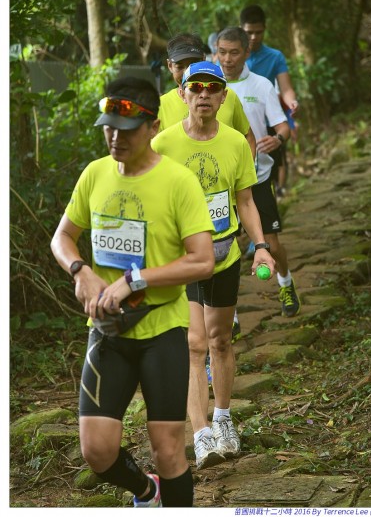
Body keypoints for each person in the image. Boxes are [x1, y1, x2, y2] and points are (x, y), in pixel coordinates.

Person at [50, 76, 216, 508]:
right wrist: (80, 270)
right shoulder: (95, 174)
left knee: (168, 450)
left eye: (126, 130)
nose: (115, 137)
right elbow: (62, 237)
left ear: (153, 127)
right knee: (96, 451)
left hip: (162, 329)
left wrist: (135, 279)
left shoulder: (178, 181)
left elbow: (202, 260)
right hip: (109, 330)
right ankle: (146, 491)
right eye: (108, 127)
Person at [151, 61, 276, 471]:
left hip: (224, 256)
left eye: (212, 88)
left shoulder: (236, 143)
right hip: (183, 260)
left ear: (224, 97)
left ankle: (223, 419)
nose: (203, 93)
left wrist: (261, 246)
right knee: (194, 344)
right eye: (196, 87)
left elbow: (245, 201)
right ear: (183, 93)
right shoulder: (163, 144)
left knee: (220, 340)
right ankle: (202, 434)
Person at [216, 26, 301, 319]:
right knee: (222, 252)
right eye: (222, 52)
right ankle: (229, 317)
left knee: (272, 245)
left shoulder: (262, 85)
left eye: (234, 52)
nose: (227, 59)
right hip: (219, 185)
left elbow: (283, 127)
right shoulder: (207, 86)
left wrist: (277, 139)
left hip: (257, 179)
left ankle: (286, 283)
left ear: (246, 53)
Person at [158, 32, 256, 159]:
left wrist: (246, 170)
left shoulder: (228, 97)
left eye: (193, 65)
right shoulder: (160, 105)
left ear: (204, 59)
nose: (187, 72)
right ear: (170, 66)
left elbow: (248, 137)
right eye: (180, 66)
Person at [240, 4, 299, 197]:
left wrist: (292, 102)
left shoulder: (275, 57)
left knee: (271, 174)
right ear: (241, 29)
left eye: (258, 32)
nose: (253, 37)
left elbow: (286, 88)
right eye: (249, 32)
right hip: (241, 123)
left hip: (269, 123)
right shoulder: (231, 57)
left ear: (265, 29)